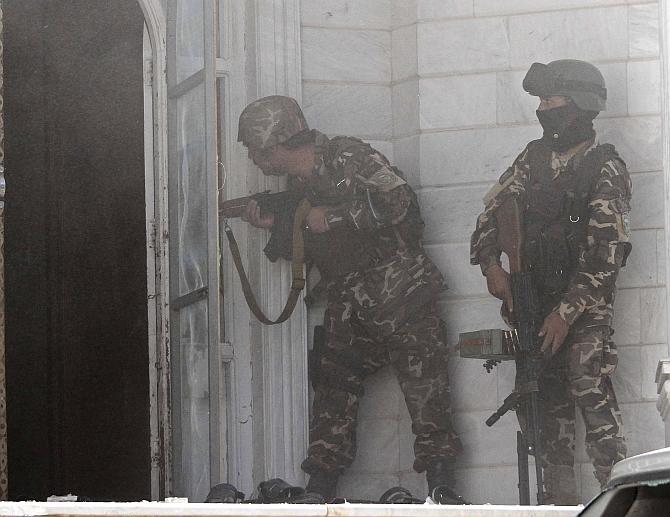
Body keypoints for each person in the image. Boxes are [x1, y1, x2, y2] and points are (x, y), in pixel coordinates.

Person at [236, 95, 462, 501]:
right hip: (350, 301)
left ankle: (443, 490)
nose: (254, 159)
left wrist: (332, 216)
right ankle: (319, 489)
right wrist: (277, 223)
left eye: (256, 150)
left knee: (427, 396)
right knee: (332, 393)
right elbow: (321, 244)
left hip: (401, 294)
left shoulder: (347, 156)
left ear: (278, 144)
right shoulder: (299, 187)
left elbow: (400, 202)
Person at [470, 60, 631, 504]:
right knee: (543, 407)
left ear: (579, 107)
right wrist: (491, 265)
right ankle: (558, 508)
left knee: (591, 393)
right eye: (540, 101)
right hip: (534, 302)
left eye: (550, 101)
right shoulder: (533, 158)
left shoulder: (605, 167)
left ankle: (618, 502)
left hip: (583, 308)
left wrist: (565, 314)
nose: (542, 110)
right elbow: (490, 214)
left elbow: (606, 254)